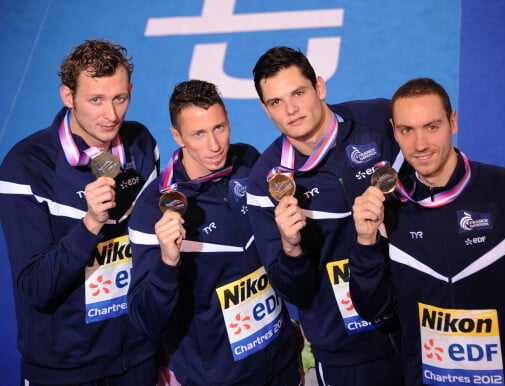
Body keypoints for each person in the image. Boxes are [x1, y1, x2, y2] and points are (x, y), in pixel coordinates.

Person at [349, 77, 505, 385]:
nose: (420, 145)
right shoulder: (387, 210)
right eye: (407, 130)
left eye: (432, 127)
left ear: (453, 122)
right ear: (394, 130)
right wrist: (366, 242)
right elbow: (374, 310)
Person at [0, 39, 160, 385]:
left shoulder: (142, 144)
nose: (111, 115)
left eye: (120, 98)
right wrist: (90, 225)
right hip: (66, 370)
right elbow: (35, 288)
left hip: (138, 358)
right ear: (68, 97)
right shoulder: (26, 166)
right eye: (96, 100)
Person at [246, 46, 405, 386]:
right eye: (276, 102)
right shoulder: (265, 182)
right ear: (264, 108)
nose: (290, 110)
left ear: (319, 87)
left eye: (298, 93)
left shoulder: (379, 120)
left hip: (416, 326)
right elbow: (295, 293)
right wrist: (291, 246)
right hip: (348, 354)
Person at [127, 79, 302, 386]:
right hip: (220, 378)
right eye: (198, 134)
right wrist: (168, 263)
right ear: (177, 137)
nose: (214, 145)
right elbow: (145, 321)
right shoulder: (153, 209)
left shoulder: (249, 162)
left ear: (228, 121)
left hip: (282, 363)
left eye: (219, 128)